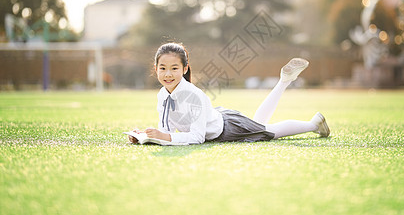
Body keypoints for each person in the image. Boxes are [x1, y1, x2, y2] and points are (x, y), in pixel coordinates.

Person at [128, 42, 330, 145]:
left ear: (185, 68)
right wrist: (147, 136)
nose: (168, 74)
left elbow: (197, 138)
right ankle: (284, 82)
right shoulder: (163, 95)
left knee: (270, 131)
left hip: (227, 129)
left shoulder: (195, 96)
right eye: (163, 68)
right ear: (155, 69)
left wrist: (164, 137)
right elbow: (167, 130)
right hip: (219, 118)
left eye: (174, 68)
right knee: (261, 125)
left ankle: (314, 124)